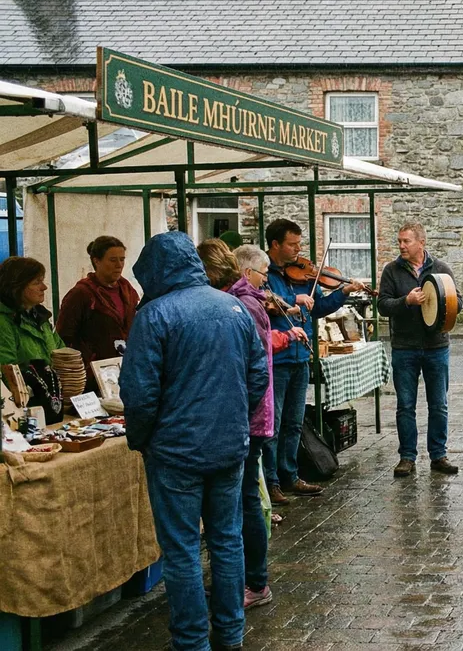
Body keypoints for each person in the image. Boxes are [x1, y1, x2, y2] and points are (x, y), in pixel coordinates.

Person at [120, 232, 268, 651]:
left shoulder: (154, 315)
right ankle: (230, 634)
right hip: (226, 446)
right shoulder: (233, 307)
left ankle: (191, 641)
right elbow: (257, 376)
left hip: (175, 452)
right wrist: (233, 419)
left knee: (183, 549)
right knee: (226, 539)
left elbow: (139, 394)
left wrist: (143, 439)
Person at [227, 244, 308, 610]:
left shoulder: (248, 303)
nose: (266, 281)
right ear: (248, 273)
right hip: (252, 414)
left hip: (250, 415)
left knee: (246, 499)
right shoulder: (248, 301)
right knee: (244, 499)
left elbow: (256, 359)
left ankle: (254, 582)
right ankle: (243, 578)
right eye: (262, 275)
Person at [262, 219, 364, 503]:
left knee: (294, 423)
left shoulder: (303, 275)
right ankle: (271, 482)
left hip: (300, 356)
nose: (298, 250)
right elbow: (267, 303)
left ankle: (290, 476)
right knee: (273, 425)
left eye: (299, 244)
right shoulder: (263, 273)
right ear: (275, 245)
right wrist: (295, 300)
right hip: (277, 359)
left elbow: (318, 307)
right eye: (292, 245)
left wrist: (342, 293)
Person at [377, 221, 461, 478]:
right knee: (405, 405)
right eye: (399, 241)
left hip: (436, 346)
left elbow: (458, 301)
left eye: (407, 241)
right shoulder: (391, 271)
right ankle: (407, 457)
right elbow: (383, 305)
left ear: (421, 242)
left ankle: (438, 455)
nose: (401, 246)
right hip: (404, 347)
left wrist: (445, 302)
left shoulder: (441, 269)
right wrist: (407, 301)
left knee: (439, 405)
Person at [55, 236, 139, 391]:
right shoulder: (81, 294)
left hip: (125, 370)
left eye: (122, 259)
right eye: (112, 260)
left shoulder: (129, 291)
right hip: (92, 375)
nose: (119, 265)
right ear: (96, 261)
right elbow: (64, 336)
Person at [0, 257, 66, 365]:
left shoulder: (40, 317)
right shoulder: (4, 322)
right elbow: (8, 369)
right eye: (36, 282)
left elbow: (61, 353)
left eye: (42, 281)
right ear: (17, 287)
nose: (44, 287)